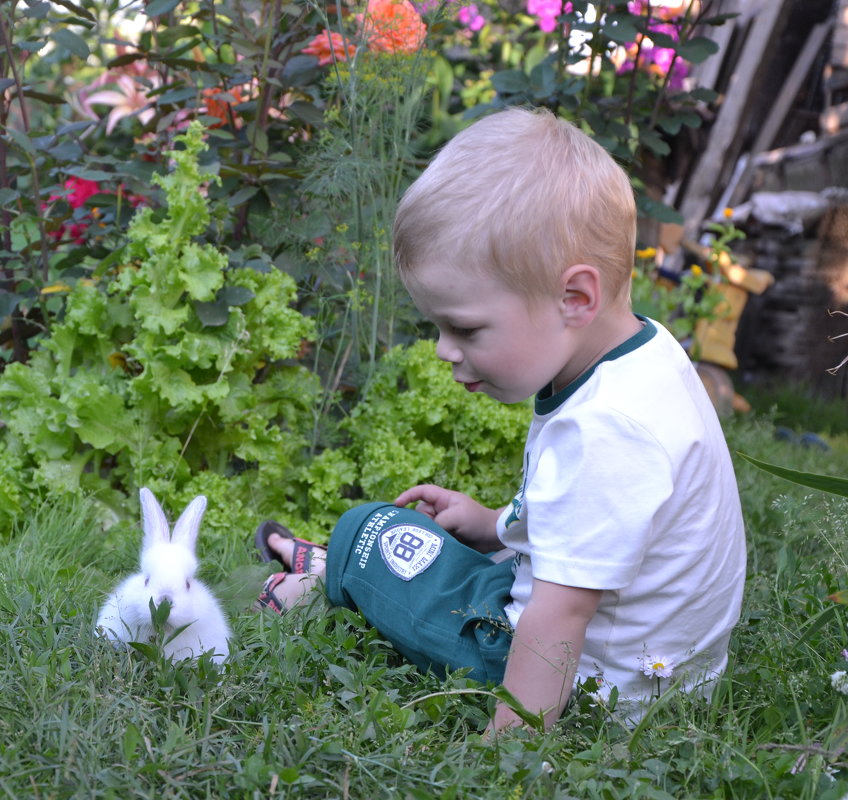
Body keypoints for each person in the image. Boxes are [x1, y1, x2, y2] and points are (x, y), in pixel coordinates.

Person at [255, 106, 747, 734]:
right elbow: (592, 522)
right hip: (657, 669)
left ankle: (330, 580)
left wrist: (509, 746)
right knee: (432, 546)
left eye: (463, 327)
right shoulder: (646, 356)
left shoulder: (603, 432)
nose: (443, 349)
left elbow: (559, 619)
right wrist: (491, 525)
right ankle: (348, 573)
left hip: (591, 690)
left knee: (370, 530)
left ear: (574, 298)